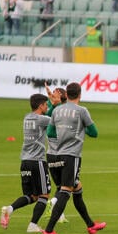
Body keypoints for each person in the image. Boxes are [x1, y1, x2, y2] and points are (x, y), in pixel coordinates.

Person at [42, 82, 105, 234]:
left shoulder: (57, 110)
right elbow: (94, 132)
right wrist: (78, 132)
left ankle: (90, 225)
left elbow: (50, 132)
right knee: (65, 192)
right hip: (71, 155)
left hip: (54, 156)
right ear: (80, 94)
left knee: (77, 189)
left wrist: (63, 134)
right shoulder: (81, 111)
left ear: (67, 94)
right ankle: (49, 230)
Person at [0, 93, 60, 233]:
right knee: (44, 195)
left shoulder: (27, 117)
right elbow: (55, 120)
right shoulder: (42, 120)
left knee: (32, 196)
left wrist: (51, 104)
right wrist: (56, 104)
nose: (47, 106)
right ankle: (33, 225)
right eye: (45, 104)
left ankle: (9, 209)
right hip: (37, 161)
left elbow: (46, 117)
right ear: (40, 106)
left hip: (25, 161)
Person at [44, 84, 68, 224]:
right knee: (66, 187)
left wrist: (51, 99)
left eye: (55, 93)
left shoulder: (53, 109)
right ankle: (53, 202)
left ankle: (60, 215)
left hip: (50, 155)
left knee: (60, 186)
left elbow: (48, 110)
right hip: (63, 154)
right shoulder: (61, 111)